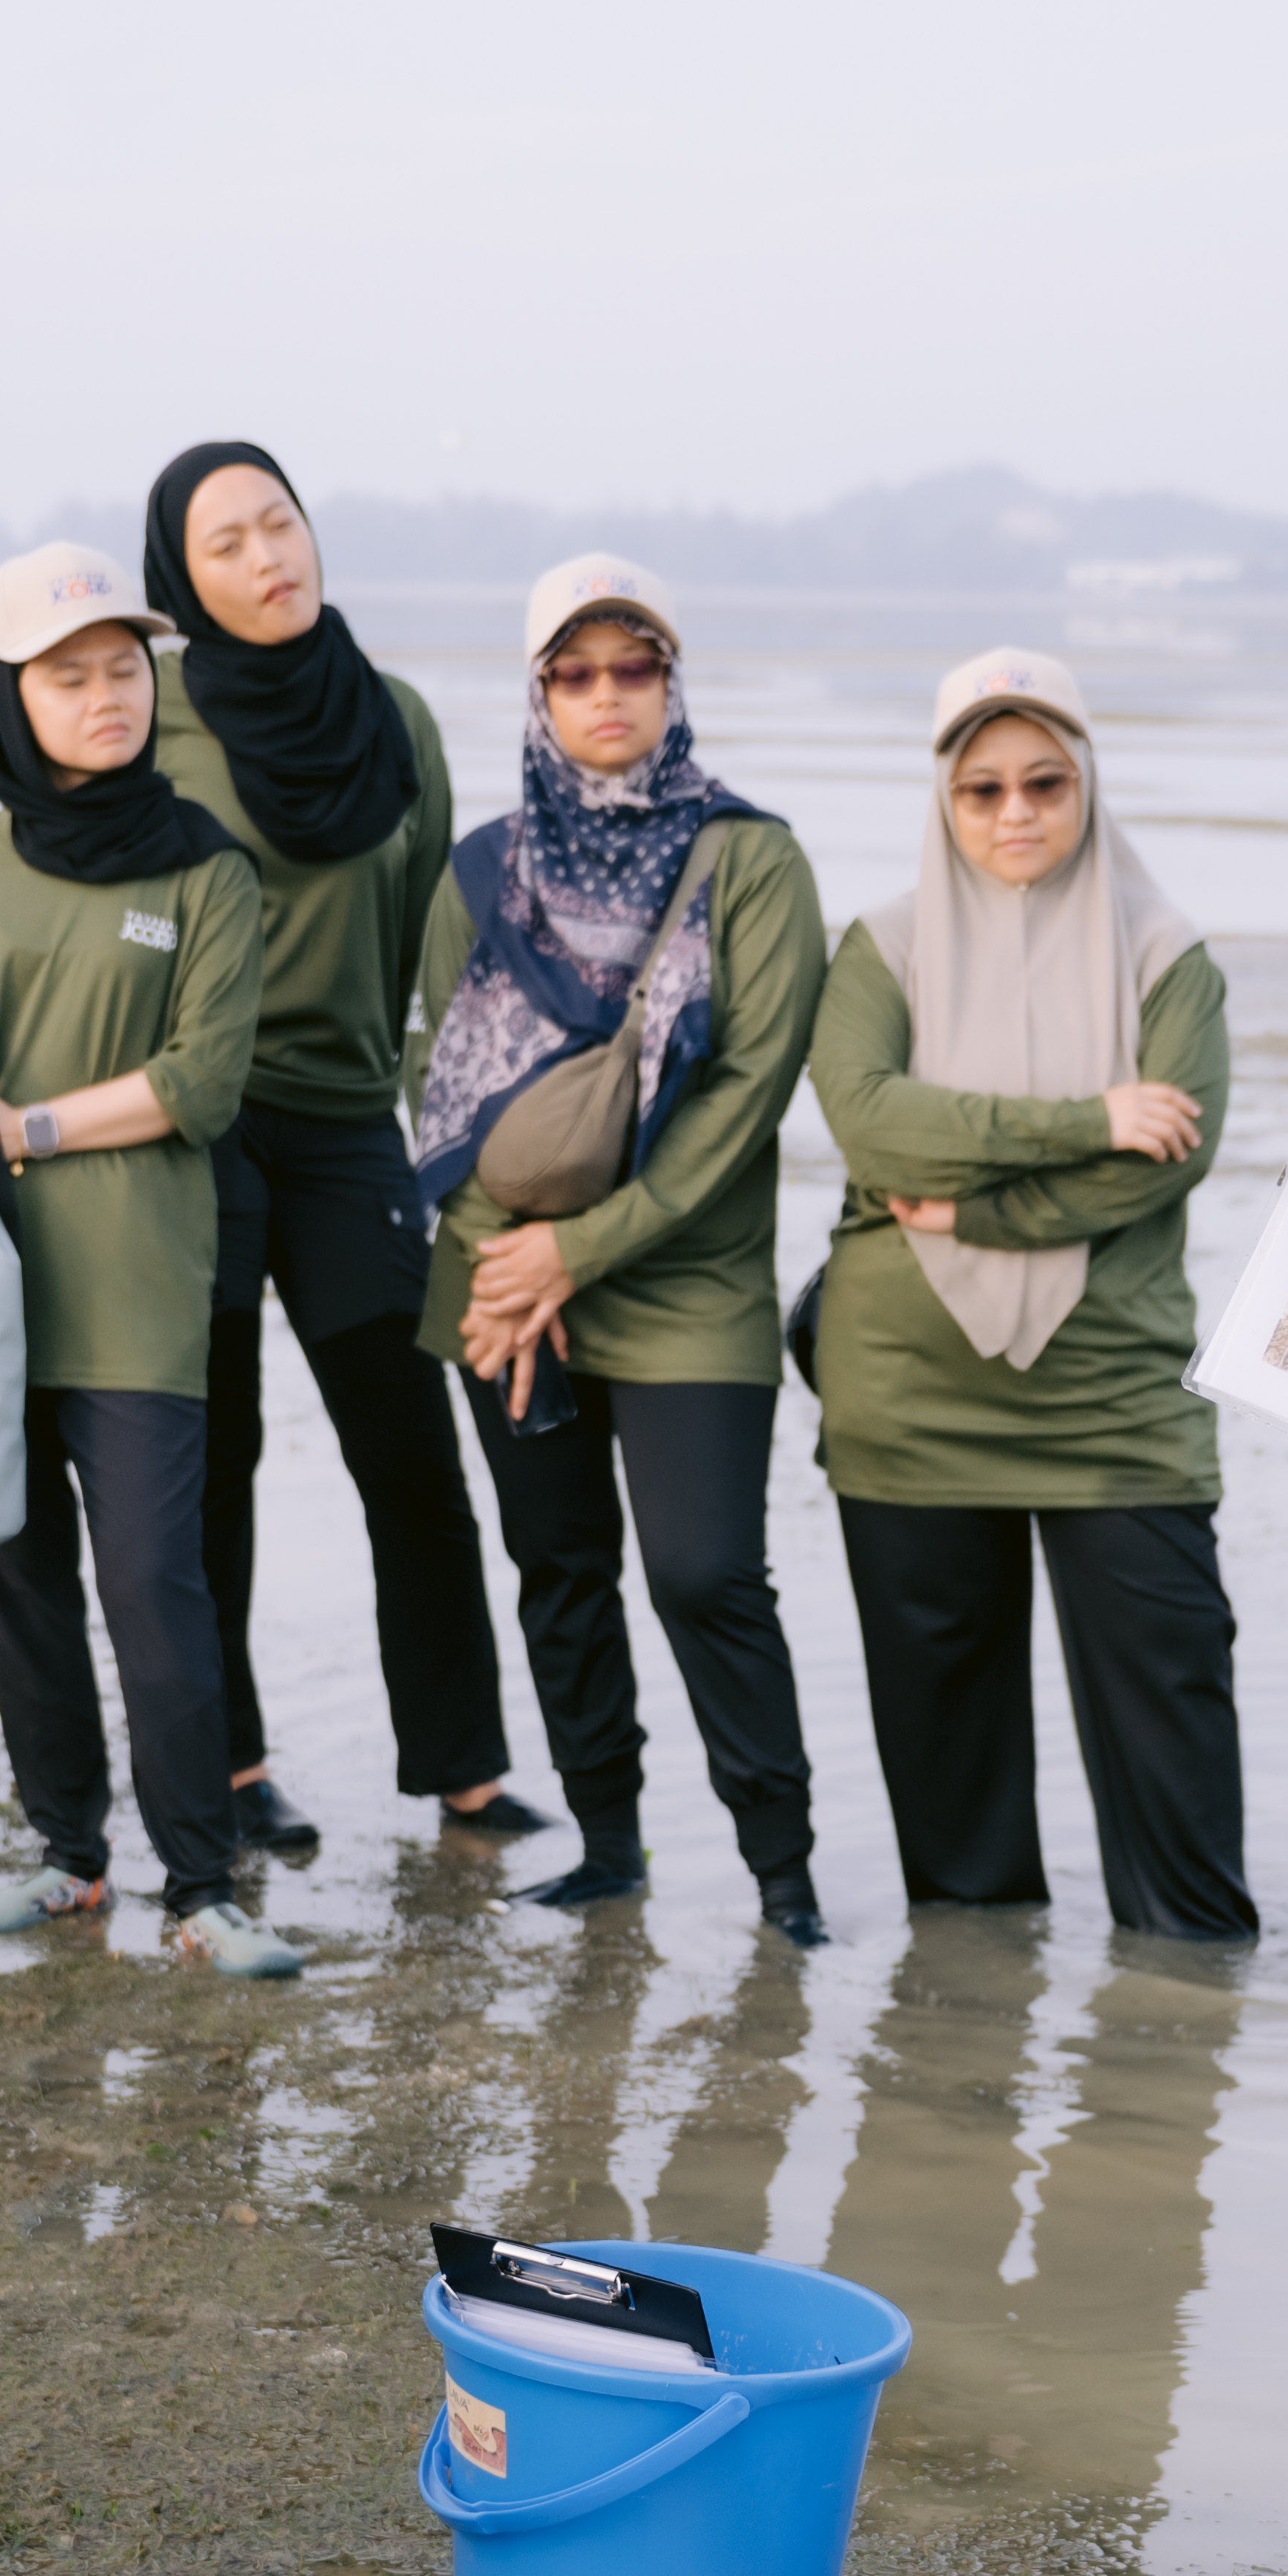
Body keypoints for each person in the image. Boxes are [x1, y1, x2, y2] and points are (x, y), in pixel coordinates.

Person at [0, 545, 294, 1979]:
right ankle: (68, 1856)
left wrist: (19, 1128)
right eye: (72, 673)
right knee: (17, 1581)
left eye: (128, 666)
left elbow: (202, 1083)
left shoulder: (206, 870)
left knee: (153, 1589)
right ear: (16, 694)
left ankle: (200, 1881)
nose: (109, 694)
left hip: (135, 1290)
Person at [405, 557, 834, 1945]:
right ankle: (608, 1847)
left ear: (670, 681)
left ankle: (785, 1878)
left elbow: (743, 1096)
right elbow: (443, 1096)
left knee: (706, 1574)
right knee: (559, 1560)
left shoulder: (749, 858)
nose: (606, 695)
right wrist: (503, 1264)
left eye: (632, 667)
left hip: (685, 1274)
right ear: (538, 693)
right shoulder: (482, 868)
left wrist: (576, 1252)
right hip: (507, 1276)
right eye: (574, 673)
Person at [802, 645, 1244, 1935]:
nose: (1016, 814)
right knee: (959, 1845)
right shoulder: (880, 949)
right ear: (943, 800)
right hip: (909, 1404)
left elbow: (1171, 1166)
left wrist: (973, 1202)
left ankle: (1182, 2059)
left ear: (1088, 786)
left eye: (1045, 783)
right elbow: (873, 1128)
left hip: (1115, 1404)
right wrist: (1089, 1117)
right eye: (982, 788)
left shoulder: (1170, 955)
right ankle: (962, 2069)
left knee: (1184, 1826)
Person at [141, 439, 536, 1863]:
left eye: (280, 523)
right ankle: (235, 1768)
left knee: (408, 1447)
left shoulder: (398, 716)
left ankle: (465, 1771)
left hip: (347, 1126)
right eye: (228, 543)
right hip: (198, 1125)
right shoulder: (159, 715)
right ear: (179, 581)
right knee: (218, 1453)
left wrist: (461, 1136)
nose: (268, 557)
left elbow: (444, 947)